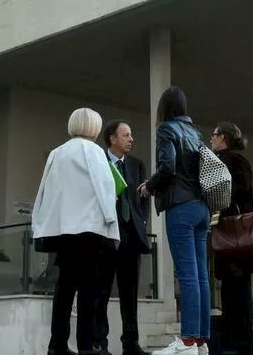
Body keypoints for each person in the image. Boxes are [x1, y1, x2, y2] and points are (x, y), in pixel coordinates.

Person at [33, 108, 120, 355]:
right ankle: (86, 346)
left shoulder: (56, 153)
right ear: (94, 126)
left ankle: (57, 344)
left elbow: (46, 190)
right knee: (89, 288)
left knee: (64, 287)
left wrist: (40, 222)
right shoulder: (94, 152)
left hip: (62, 228)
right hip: (90, 228)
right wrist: (111, 225)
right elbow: (105, 189)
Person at [139, 87, 209, 355]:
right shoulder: (196, 133)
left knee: (188, 276)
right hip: (202, 207)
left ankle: (188, 341)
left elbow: (167, 168)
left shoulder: (166, 130)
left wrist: (149, 186)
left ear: (164, 108)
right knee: (202, 276)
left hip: (181, 207)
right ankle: (201, 341)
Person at [210, 123, 253, 355]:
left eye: (213, 135)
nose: (210, 139)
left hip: (236, 236)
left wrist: (220, 197)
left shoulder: (235, 160)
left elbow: (244, 191)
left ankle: (243, 345)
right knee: (231, 292)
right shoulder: (223, 159)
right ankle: (235, 343)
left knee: (239, 293)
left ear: (222, 137)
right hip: (229, 237)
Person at [96, 120, 151, 355]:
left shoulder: (137, 165)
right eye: (126, 135)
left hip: (132, 236)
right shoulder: (99, 162)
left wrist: (142, 220)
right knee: (102, 291)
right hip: (107, 236)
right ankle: (100, 343)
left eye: (131, 135)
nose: (131, 139)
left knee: (130, 294)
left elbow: (144, 197)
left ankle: (131, 343)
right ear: (112, 139)